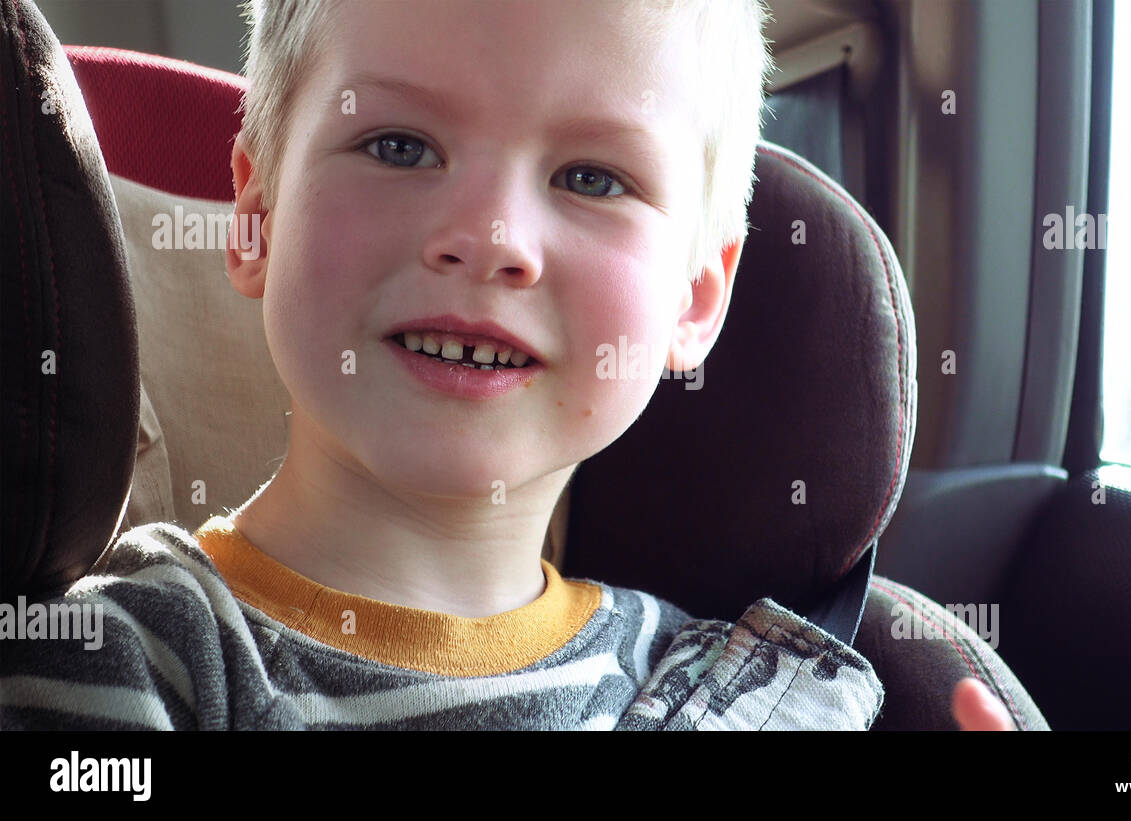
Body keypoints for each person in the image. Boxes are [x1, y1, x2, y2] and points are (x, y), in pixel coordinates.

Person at [0, 0, 1015, 731]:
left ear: (694, 298)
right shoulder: (119, 666)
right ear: (256, 216)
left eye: (590, 176)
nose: (488, 238)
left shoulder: (733, 685)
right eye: (399, 146)